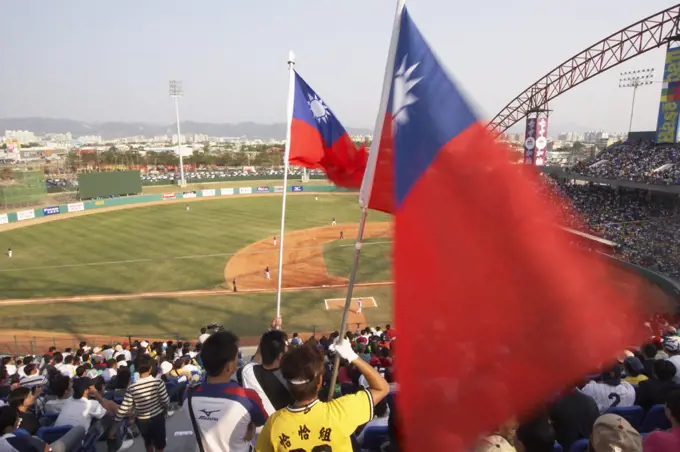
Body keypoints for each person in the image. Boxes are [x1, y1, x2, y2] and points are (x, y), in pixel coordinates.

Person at [255, 338, 390, 452]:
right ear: (319, 382)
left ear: (288, 382)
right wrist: (352, 356)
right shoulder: (340, 412)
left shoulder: (274, 423)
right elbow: (381, 388)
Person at [183, 330, 268, 452]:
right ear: (228, 367)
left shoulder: (188, 395)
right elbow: (261, 420)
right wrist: (251, 427)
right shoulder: (248, 397)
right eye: (235, 358)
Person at [110, 356, 169, 452]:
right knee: (159, 445)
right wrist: (165, 410)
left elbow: (124, 408)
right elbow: (165, 401)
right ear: (150, 369)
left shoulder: (132, 387)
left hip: (142, 420)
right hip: (157, 417)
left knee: (148, 442)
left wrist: (114, 427)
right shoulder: (158, 382)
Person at [239, 330, 293, 416]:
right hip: (283, 424)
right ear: (280, 356)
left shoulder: (247, 372)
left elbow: (257, 356)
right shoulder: (289, 378)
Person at [0, 405, 86, 452]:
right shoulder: (18, 439)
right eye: (17, 418)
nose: (19, 419)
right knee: (79, 429)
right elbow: (47, 449)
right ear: (10, 424)